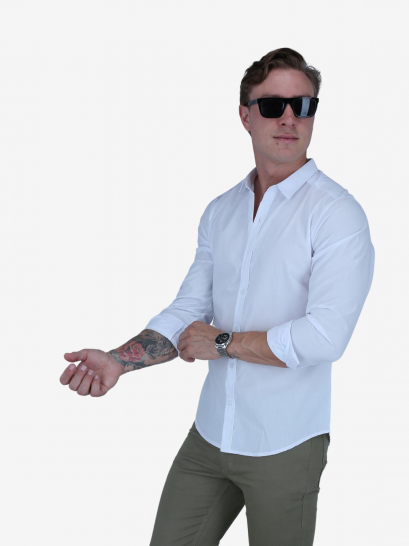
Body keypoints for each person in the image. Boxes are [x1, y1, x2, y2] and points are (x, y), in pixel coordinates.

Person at [60, 47, 375, 545]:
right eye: (272, 105)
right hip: (210, 436)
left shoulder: (337, 214)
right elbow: (190, 310)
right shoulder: (221, 211)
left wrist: (223, 343)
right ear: (246, 116)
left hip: (285, 443)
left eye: (303, 105)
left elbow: (325, 337)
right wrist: (119, 360)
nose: (289, 118)